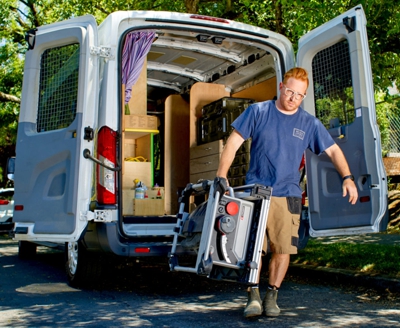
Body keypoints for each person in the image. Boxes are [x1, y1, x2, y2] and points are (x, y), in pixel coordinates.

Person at [215, 67, 358, 318]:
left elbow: (334, 151)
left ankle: (272, 295)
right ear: (281, 86)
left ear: (304, 97)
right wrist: (221, 174)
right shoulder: (258, 112)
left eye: (299, 95)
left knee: (282, 249)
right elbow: (234, 142)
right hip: (257, 192)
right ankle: (253, 296)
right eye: (290, 91)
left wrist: (347, 177)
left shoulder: (309, 123)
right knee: (253, 248)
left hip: (289, 194)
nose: (293, 98)